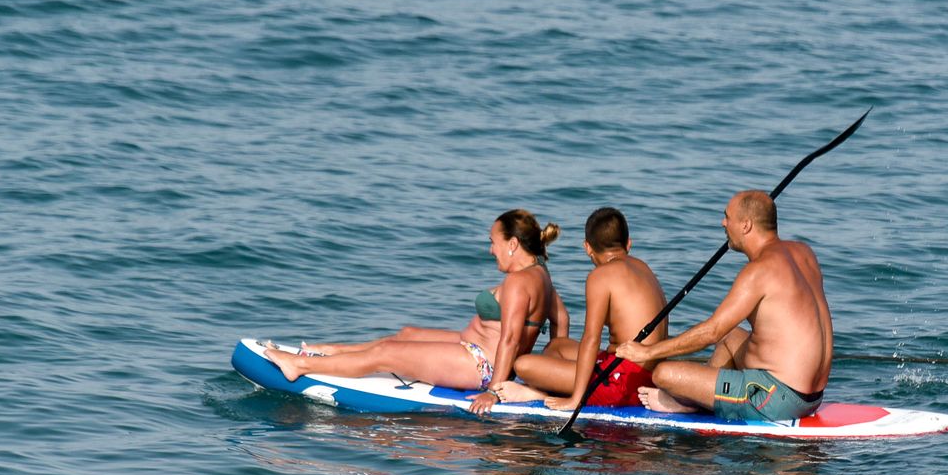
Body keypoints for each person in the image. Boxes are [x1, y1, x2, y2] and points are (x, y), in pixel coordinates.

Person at [263, 209, 567, 414]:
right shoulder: (540, 272)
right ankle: (327, 351)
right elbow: (561, 319)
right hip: (478, 352)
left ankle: (298, 367)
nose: (490, 250)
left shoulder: (517, 281)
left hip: (481, 366)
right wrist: (548, 370)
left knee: (386, 353)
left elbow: (511, 339)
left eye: (493, 242)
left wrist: (497, 392)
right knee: (405, 335)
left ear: (512, 244)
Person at [614, 190, 830, 421]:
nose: (723, 223)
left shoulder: (758, 271)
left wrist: (647, 351)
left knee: (664, 374)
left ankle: (689, 404)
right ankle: (697, 395)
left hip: (776, 399)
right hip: (813, 397)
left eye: (728, 217)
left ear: (746, 225)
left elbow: (712, 331)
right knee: (732, 337)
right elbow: (725, 334)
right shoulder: (804, 252)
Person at [495, 207, 668, 409]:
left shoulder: (600, 276)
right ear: (628, 244)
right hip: (643, 373)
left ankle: (539, 394)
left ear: (587, 247)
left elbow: (591, 339)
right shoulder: (643, 267)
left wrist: (576, 399)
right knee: (556, 346)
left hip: (625, 384)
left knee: (524, 365)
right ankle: (550, 389)